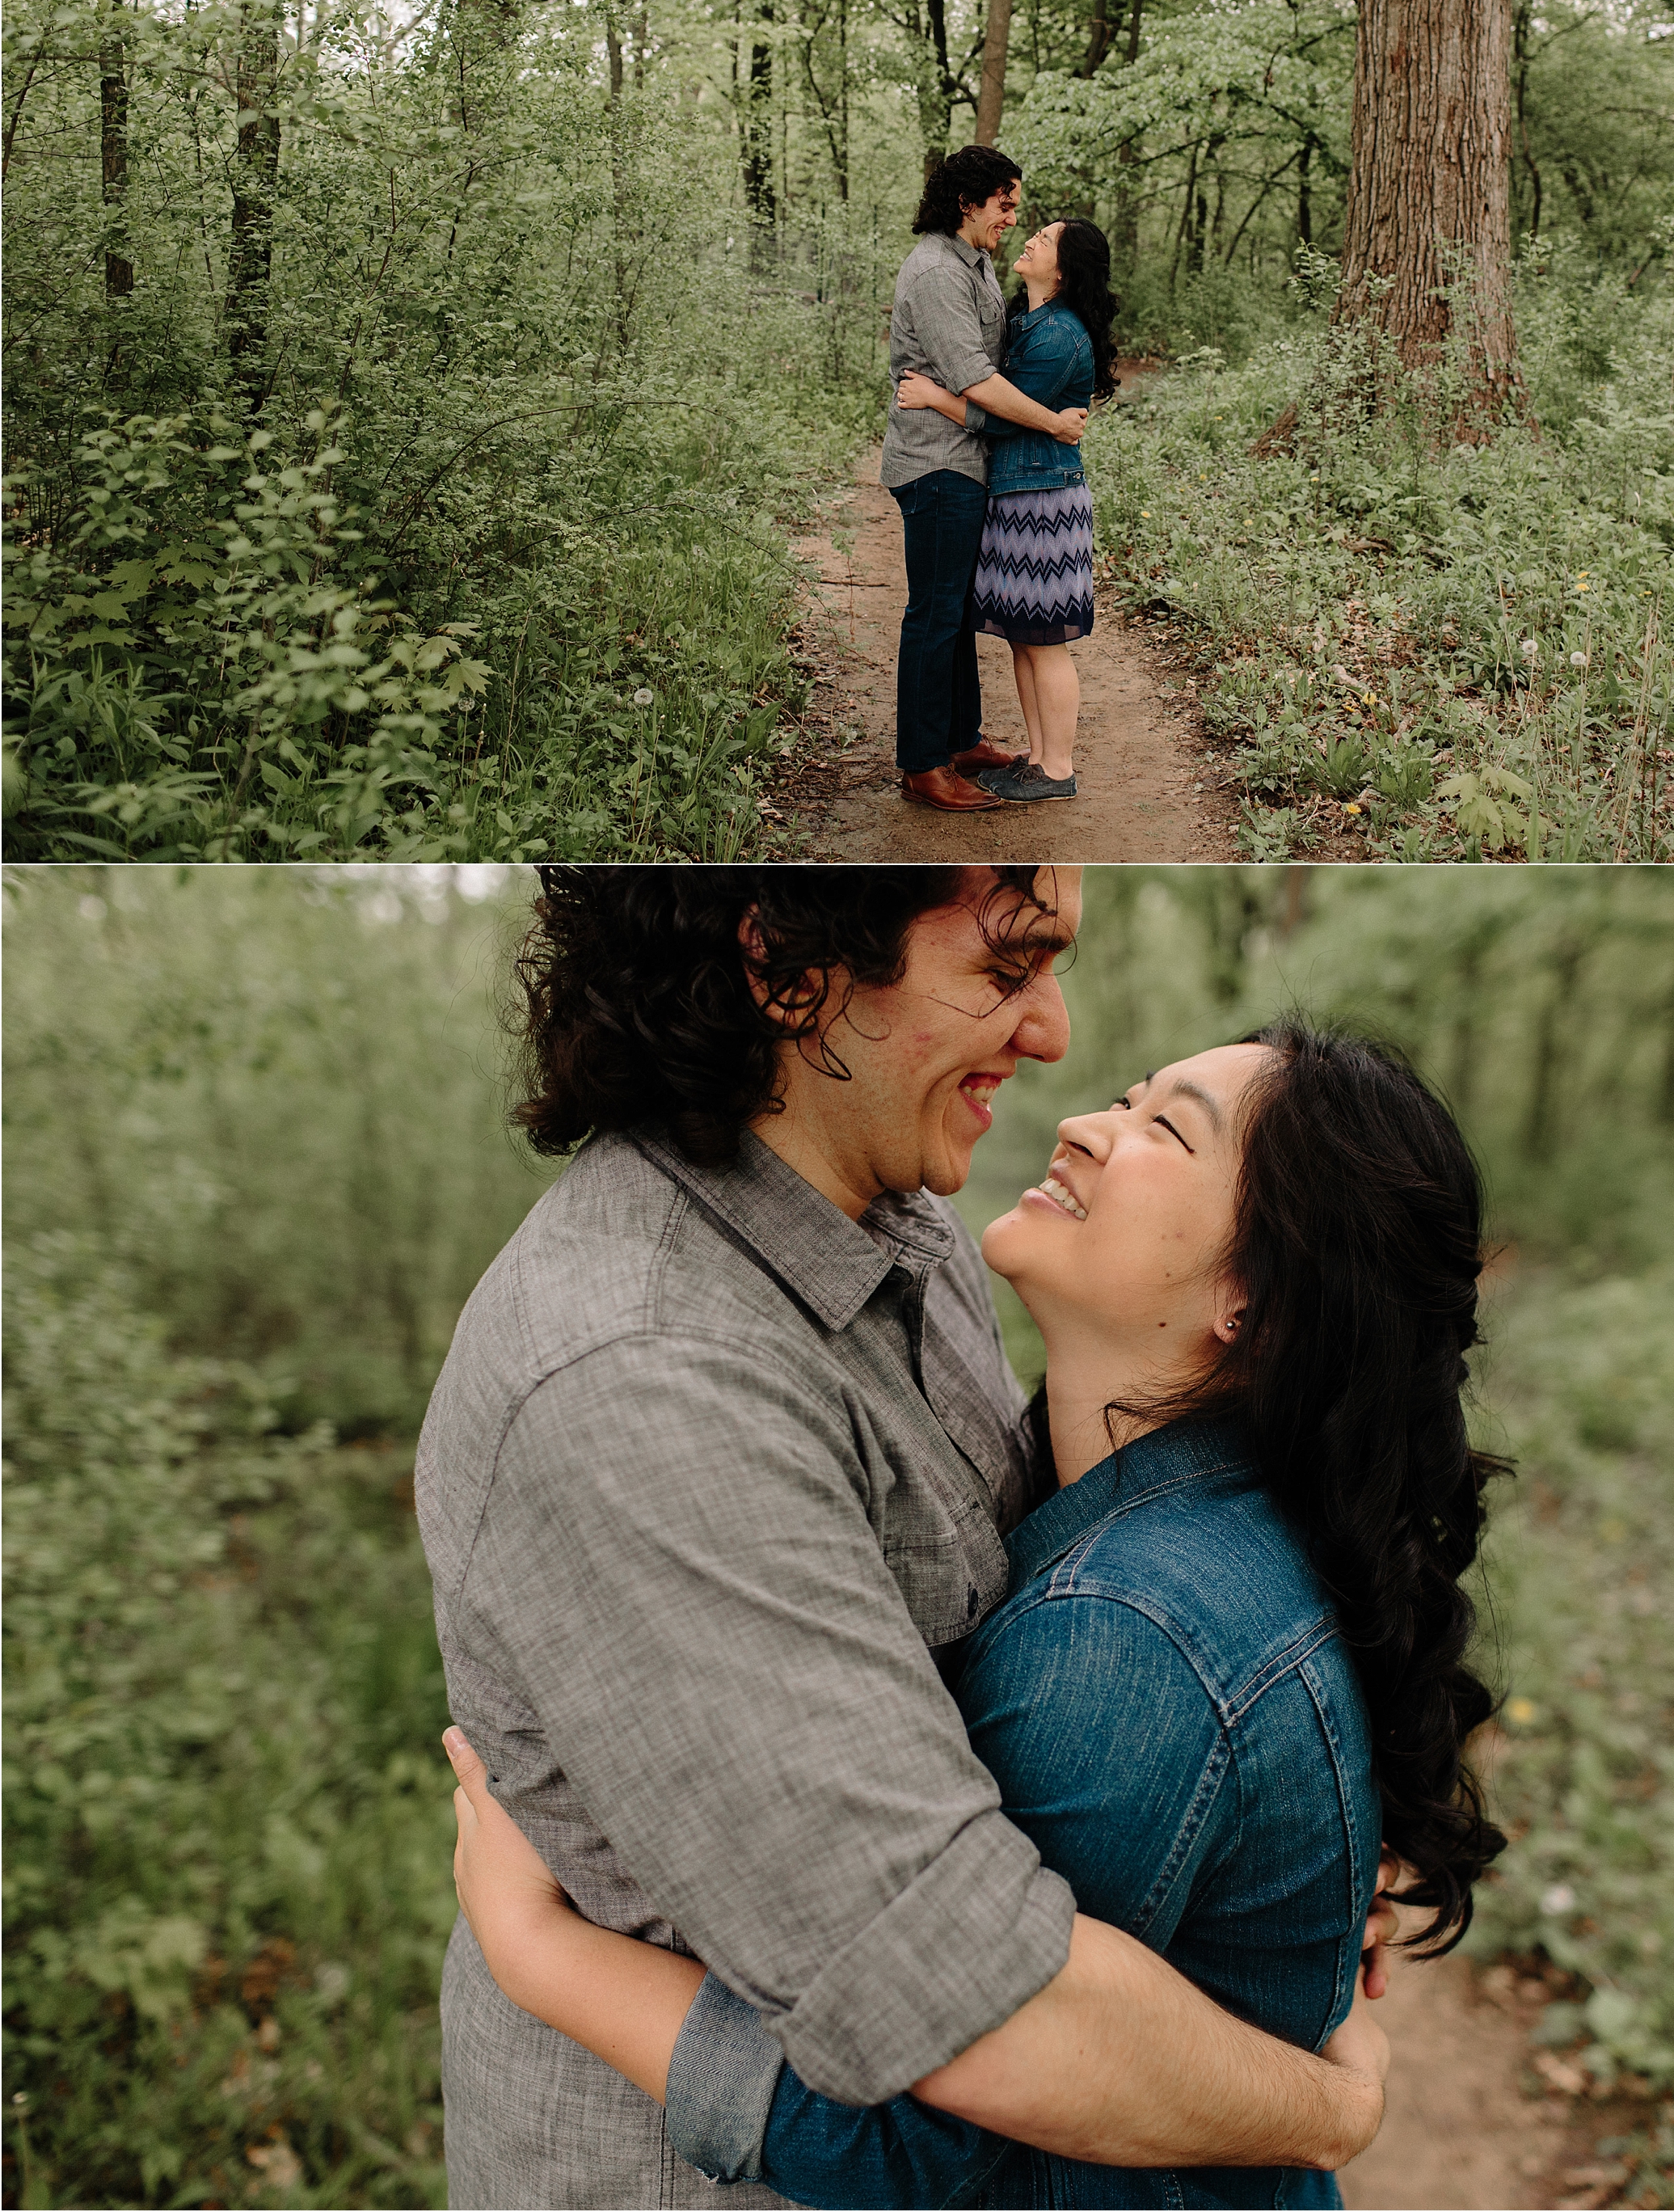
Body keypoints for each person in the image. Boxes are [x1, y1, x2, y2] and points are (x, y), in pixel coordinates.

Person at [416, 868, 1410, 2210]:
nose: (1056, 1034)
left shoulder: (904, 1223)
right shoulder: (645, 1378)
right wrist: (1328, 2102)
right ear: (788, 967)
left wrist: (1275, 1857)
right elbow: (966, 2021)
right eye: (1005, 970)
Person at [883, 147, 1090, 816]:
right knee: (934, 615)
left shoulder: (975, 265)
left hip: (971, 464)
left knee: (958, 613)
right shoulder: (938, 273)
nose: (1012, 218)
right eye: (1005, 204)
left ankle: (962, 739)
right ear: (968, 201)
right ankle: (922, 763)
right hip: (939, 465)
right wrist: (1054, 425)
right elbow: (978, 381)